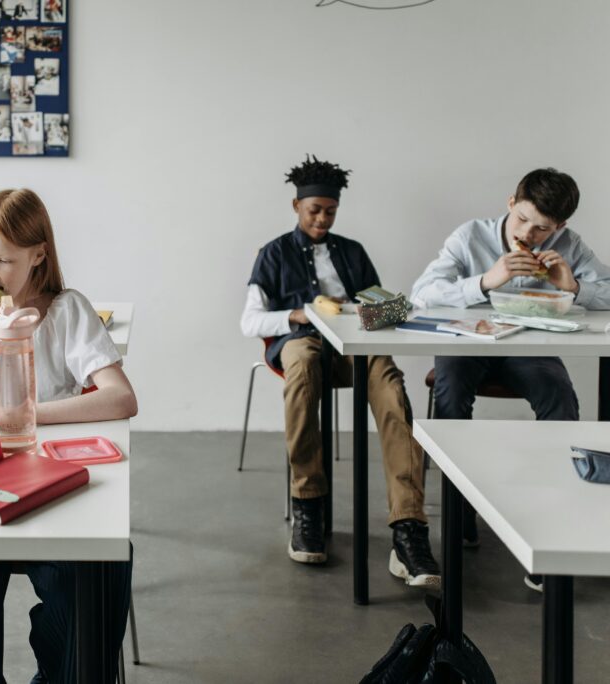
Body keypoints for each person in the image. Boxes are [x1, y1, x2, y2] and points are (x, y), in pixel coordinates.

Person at [0, 188, 138, 682]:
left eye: (3, 260)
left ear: (38, 254)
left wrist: (22, 415)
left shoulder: (66, 311)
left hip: (53, 472)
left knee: (90, 572)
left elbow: (121, 398)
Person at [240, 156, 440, 587]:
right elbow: (250, 321)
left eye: (330, 211)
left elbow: (386, 308)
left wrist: (374, 308)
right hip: (300, 341)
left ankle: (409, 529)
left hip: (356, 345)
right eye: (314, 210)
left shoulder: (351, 253)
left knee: (388, 379)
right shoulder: (274, 254)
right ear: (297, 206)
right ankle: (308, 505)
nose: (322, 218)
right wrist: (301, 313)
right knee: (304, 365)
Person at [410, 167, 610, 590]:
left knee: (560, 397)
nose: (530, 234)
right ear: (510, 203)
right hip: (467, 342)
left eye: (543, 229)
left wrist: (573, 287)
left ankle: (554, 528)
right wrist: (487, 280)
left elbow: (607, 290)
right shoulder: (470, 236)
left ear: (561, 226)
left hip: (529, 344)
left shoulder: (569, 244)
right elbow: (422, 292)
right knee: (451, 394)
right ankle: (458, 513)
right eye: (522, 220)